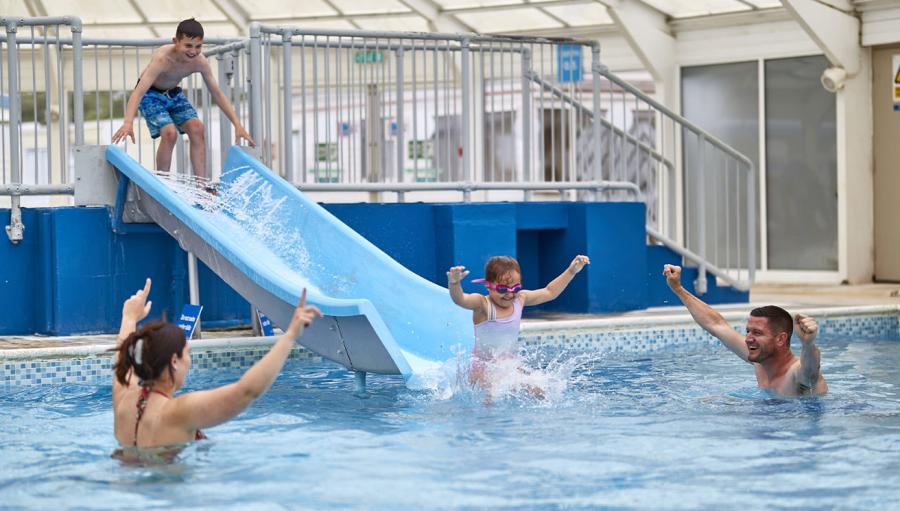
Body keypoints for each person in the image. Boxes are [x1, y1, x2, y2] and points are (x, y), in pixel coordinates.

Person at [111, 278, 321, 451]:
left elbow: (123, 357)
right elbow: (246, 391)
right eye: (187, 353)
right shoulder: (178, 411)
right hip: (170, 496)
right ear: (174, 361)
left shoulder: (124, 398)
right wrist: (291, 334)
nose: (189, 361)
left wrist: (129, 316)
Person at [111, 18, 255, 179]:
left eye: (198, 46)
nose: (193, 51)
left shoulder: (200, 62)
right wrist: (128, 123)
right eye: (188, 45)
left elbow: (217, 93)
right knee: (170, 133)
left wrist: (238, 125)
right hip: (150, 95)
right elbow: (138, 92)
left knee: (198, 128)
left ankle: (202, 183)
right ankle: (163, 181)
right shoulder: (162, 59)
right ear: (176, 41)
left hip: (173, 94)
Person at [662, 264, 827, 396]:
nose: (748, 338)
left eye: (757, 333)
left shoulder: (795, 373)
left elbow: (811, 371)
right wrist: (678, 288)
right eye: (748, 331)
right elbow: (716, 325)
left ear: (780, 339)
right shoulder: (760, 361)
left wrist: (808, 344)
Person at [447, 255, 590, 396]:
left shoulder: (520, 300)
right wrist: (454, 284)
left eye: (515, 288)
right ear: (488, 286)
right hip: (483, 369)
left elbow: (549, 292)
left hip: (508, 364)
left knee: (539, 389)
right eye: (502, 289)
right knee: (490, 395)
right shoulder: (483, 305)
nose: (509, 294)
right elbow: (461, 299)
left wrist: (571, 271)